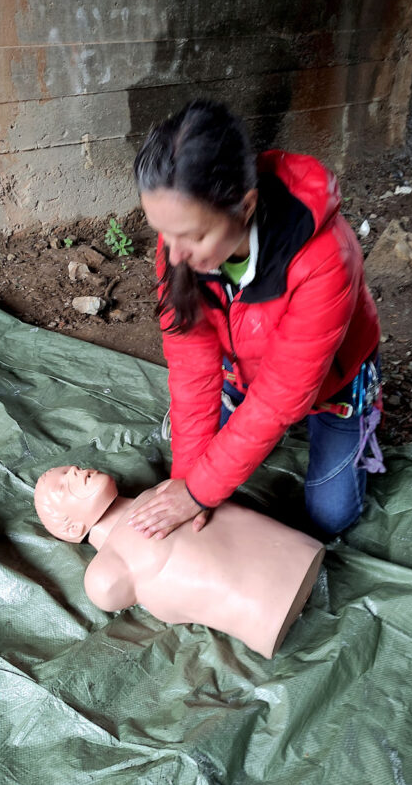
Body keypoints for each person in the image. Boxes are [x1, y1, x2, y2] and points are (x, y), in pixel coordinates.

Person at [128, 99, 383, 542]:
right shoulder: (179, 246)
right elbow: (192, 367)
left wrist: (200, 493)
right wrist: (188, 482)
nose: (172, 255)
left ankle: (366, 409)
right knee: (202, 468)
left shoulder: (325, 258)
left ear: (245, 207)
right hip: (245, 367)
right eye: (163, 232)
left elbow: (280, 397)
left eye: (192, 236)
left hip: (333, 382)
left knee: (330, 518)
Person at [34, 465, 324, 658]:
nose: (73, 471)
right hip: (267, 615)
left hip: (296, 554)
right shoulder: (106, 572)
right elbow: (106, 594)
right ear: (70, 529)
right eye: (63, 486)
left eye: (68, 469)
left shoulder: (164, 490)